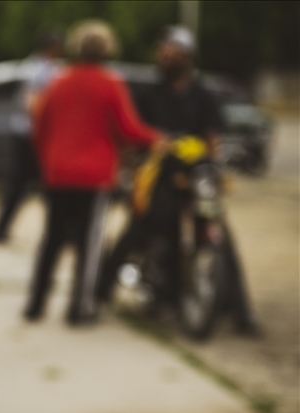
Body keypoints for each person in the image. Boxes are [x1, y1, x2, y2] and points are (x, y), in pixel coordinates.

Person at [103, 26, 258, 333]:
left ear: (187, 57)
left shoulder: (203, 95)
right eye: (163, 51)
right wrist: (133, 171)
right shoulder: (149, 94)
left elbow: (214, 136)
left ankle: (241, 314)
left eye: (172, 52)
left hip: (197, 179)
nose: (165, 57)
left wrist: (215, 161)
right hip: (160, 180)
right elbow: (134, 138)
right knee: (139, 229)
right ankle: (100, 291)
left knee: (221, 238)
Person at [27, 20, 161, 325]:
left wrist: (47, 160)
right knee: (89, 242)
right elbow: (128, 128)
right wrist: (157, 138)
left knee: (52, 238)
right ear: (107, 50)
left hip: (58, 172)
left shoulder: (58, 81)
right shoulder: (110, 83)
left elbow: (40, 125)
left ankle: (35, 303)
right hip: (94, 176)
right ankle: (80, 307)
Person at [0, 29, 62, 244]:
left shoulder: (41, 67)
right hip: (31, 134)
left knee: (30, 184)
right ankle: (3, 229)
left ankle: (3, 228)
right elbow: (32, 102)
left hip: (29, 133)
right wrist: (46, 130)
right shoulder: (38, 69)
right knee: (28, 184)